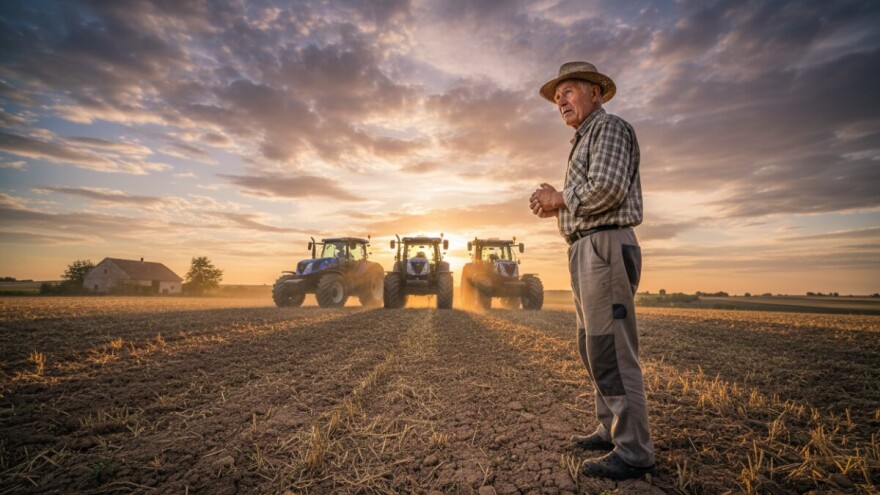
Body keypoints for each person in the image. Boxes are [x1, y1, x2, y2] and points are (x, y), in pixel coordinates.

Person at [529, 61, 656, 479]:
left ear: (596, 93)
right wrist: (554, 207)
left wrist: (560, 197)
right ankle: (611, 427)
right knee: (592, 346)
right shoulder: (583, 138)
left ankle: (634, 451)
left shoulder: (609, 128)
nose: (561, 101)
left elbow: (608, 188)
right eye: (557, 96)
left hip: (605, 247)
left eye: (568, 91)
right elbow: (589, 199)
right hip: (586, 248)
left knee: (612, 350)